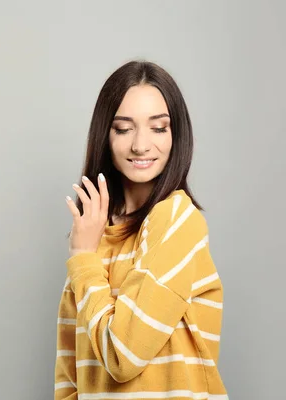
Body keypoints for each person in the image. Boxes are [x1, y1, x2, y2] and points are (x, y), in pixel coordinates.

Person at [54, 60, 228, 400]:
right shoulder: (91, 239)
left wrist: (82, 259)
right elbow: (69, 379)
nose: (140, 145)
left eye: (158, 128)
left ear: (176, 134)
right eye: (123, 128)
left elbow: (124, 356)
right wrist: (85, 256)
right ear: (105, 134)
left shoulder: (177, 218)